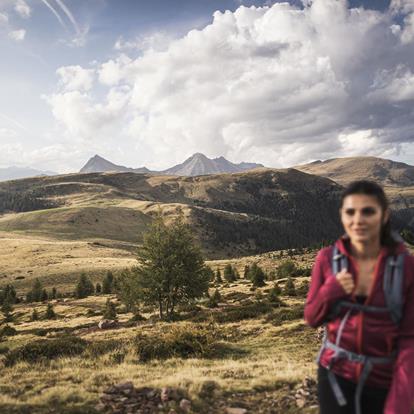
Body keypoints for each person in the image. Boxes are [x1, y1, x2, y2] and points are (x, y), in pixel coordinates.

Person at [304, 180, 414, 414]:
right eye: (350, 212)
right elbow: (312, 317)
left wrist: (399, 403)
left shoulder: (406, 267)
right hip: (334, 375)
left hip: (383, 379)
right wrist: (331, 290)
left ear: (384, 216)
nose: (358, 220)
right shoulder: (326, 259)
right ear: (342, 215)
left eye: (368, 211)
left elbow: (409, 341)